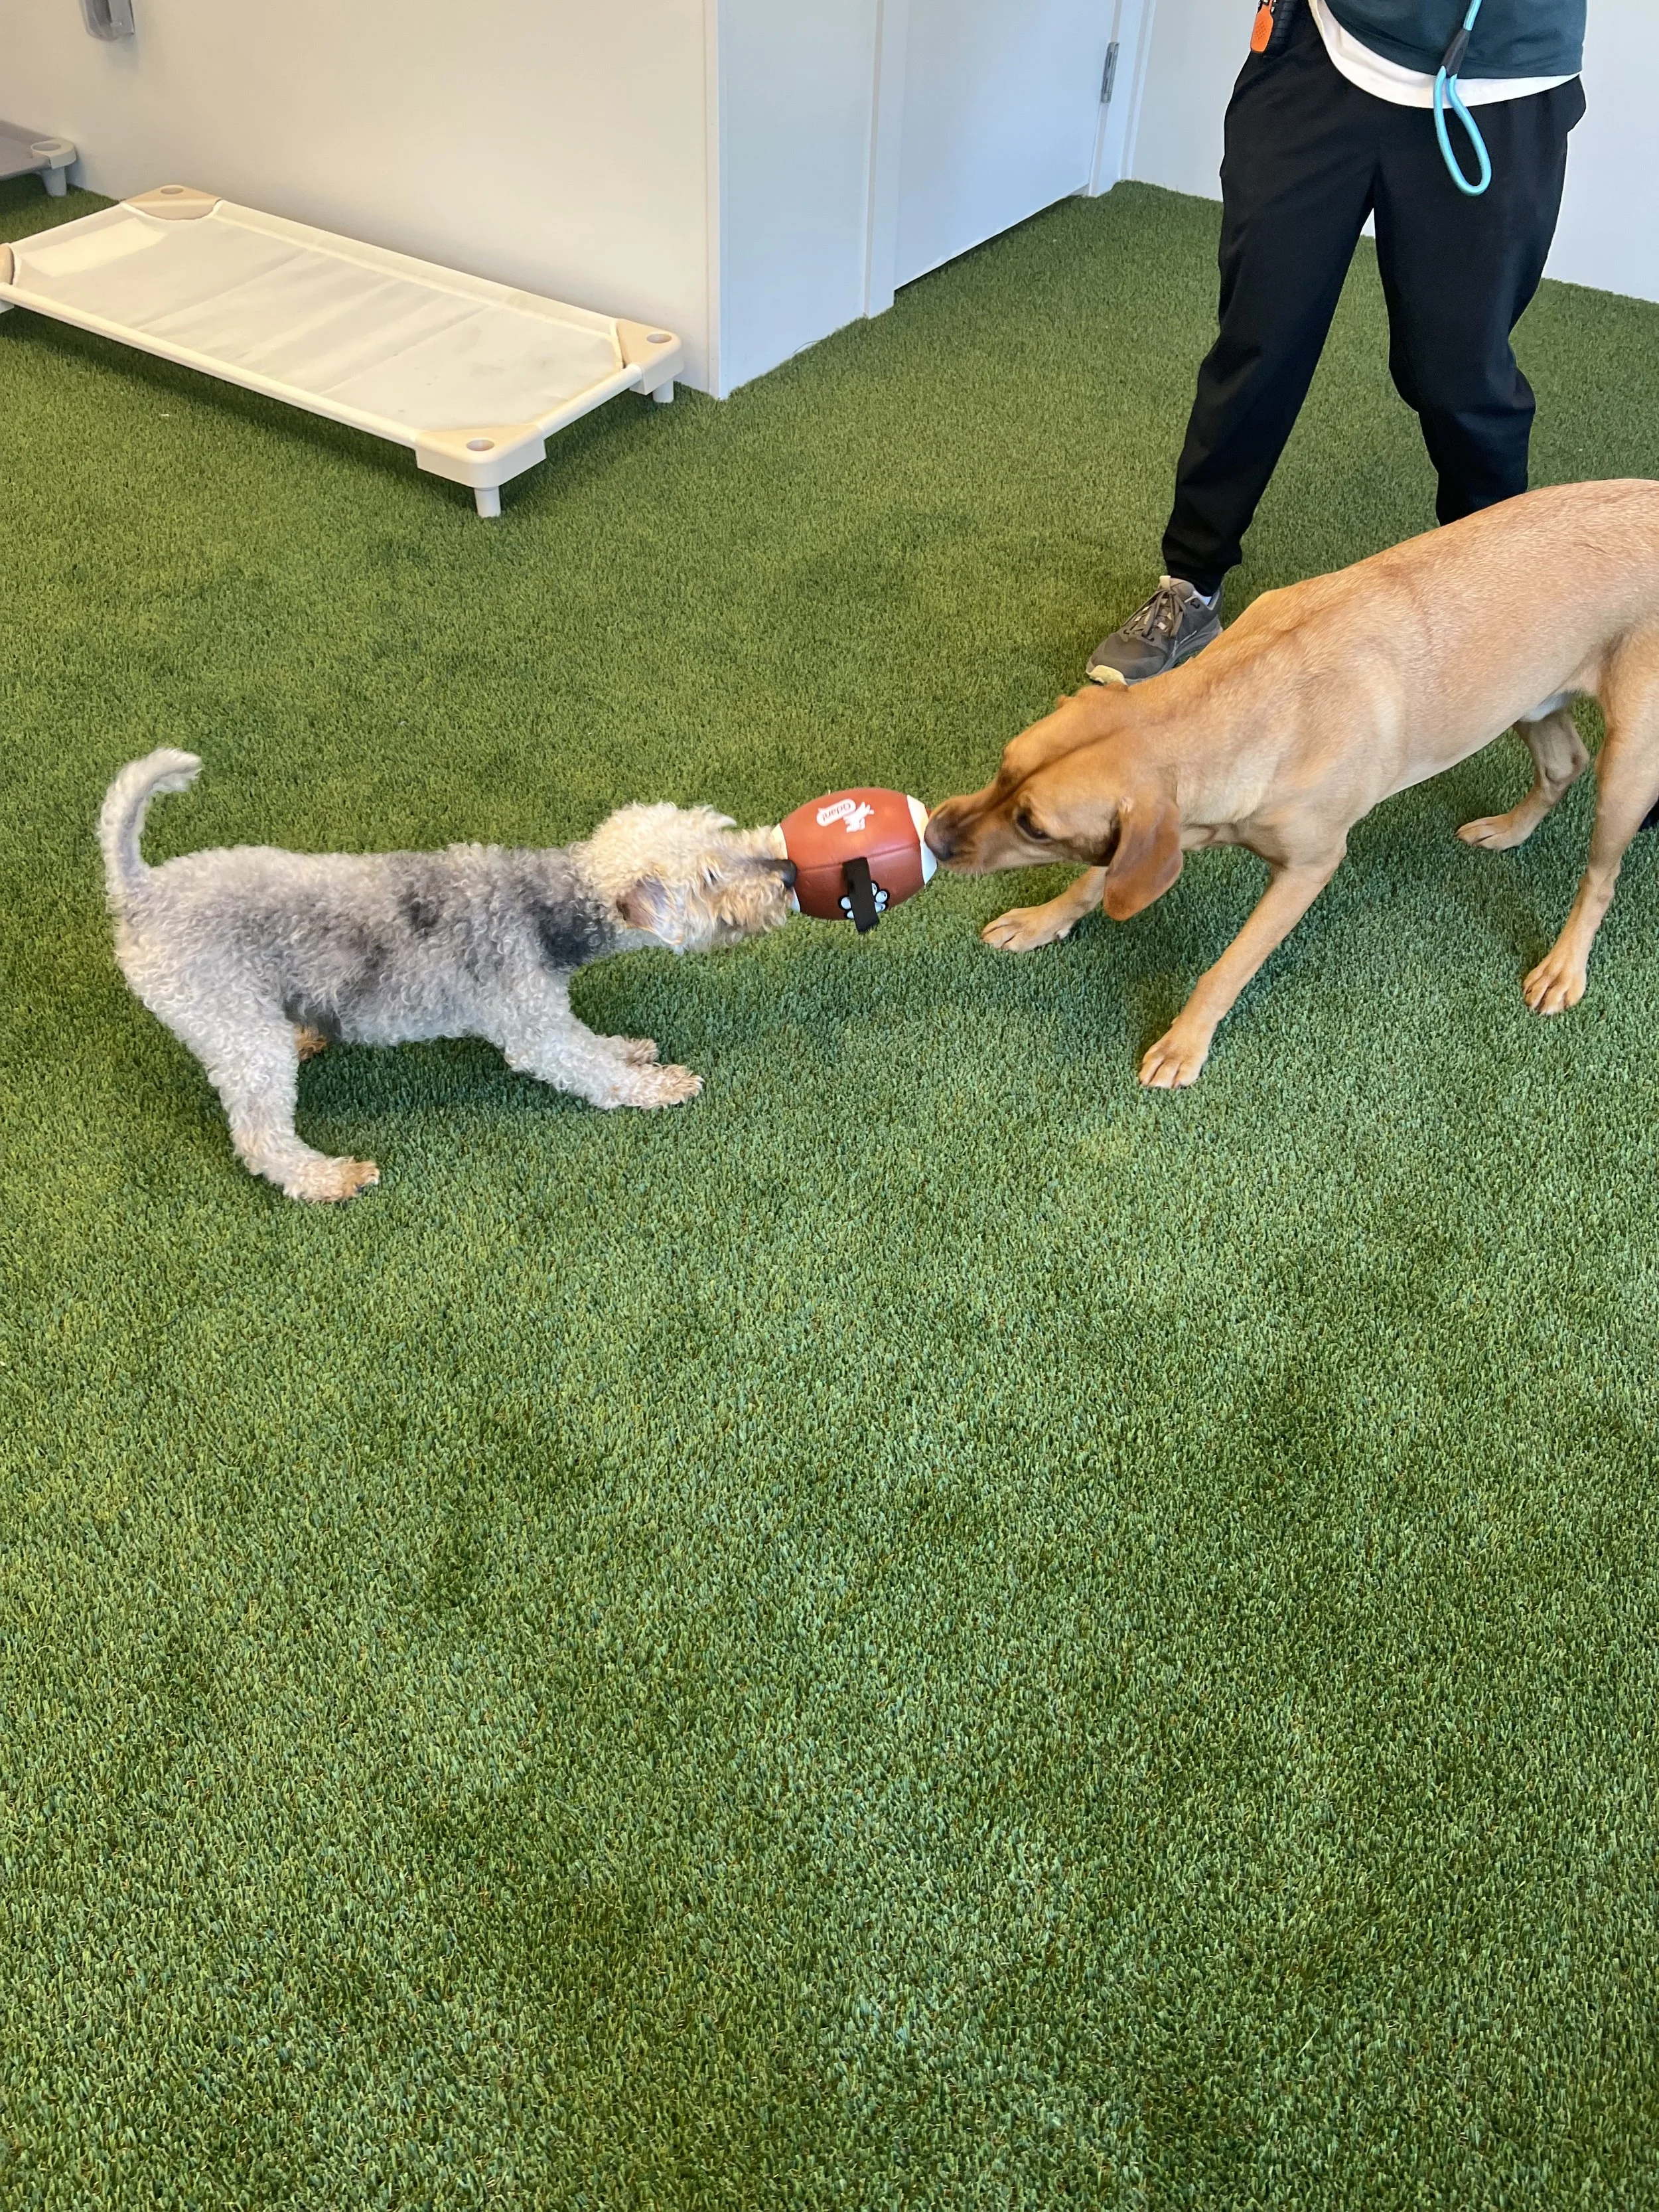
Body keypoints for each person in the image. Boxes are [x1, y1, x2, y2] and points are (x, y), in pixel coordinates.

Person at [1087, 0, 1587, 686]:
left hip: (1496, 89)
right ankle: (1190, 584)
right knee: (1260, 338)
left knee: (1457, 378)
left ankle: (1492, 607)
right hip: (1320, 52)